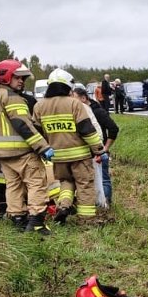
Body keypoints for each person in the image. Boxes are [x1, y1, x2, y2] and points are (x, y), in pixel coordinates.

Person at [0, 60, 54, 234]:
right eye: (18, 77)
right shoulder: (12, 97)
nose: (22, 81)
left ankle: (17, 217)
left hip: (1, 153)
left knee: (13, 185)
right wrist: (43, 147)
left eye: (23, 78)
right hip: (21, 151)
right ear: (6, 76)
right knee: (36, 184)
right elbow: (23, 125)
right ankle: (36, 222)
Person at [34, 69, 106, 225]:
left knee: (66, 182)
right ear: (68, 86)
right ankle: (87, 219)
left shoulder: (39, 106)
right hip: (79, 155)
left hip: (57, 156)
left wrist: (44, 150)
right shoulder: (74, 103)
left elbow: (38, 134)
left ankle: (64, 206)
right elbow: (87, 130)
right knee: (84, 184)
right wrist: (99, 149)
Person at [72, 83, 118, 207]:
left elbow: (114, 128)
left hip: (98, 152)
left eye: (74, 98)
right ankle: (101, 204)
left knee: (103, 180)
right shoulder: (80, 111)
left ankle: (105, 206)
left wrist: (105, 149)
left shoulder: (96, 111)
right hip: (93, 152)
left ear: (83, 98)